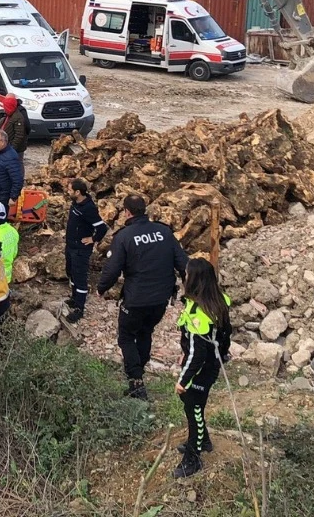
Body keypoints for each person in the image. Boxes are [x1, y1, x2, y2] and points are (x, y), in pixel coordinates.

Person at [96, 195, 188, 400]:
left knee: (127, 336)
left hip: (136, 299)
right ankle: (140, 369)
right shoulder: (164, 231)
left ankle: (136, 381)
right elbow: (184, 264)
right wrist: (191, 293)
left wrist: (101, 289)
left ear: (127, 212)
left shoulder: (124, 236)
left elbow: (112, 269)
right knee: (146, 332)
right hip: (161, 299)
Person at [174, 258, 232, 479]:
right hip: (212, 364)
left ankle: (193, 458)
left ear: (195, 279)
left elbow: (197, 355)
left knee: (193, 408)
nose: (184, 278)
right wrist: (222, 354)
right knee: (193, 404)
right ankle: (202, 440)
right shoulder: (218, 300)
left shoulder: (199, 314)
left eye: (187, 275)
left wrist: (183, 380)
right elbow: (226, 333)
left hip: (201, 369)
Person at [63, 179, 109, 324]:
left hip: (80, 249)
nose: (67, 192)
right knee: (71, 273)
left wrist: (93, 239)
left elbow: (102, 227)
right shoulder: (76, 203)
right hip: (70, 246)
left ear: (78, 192)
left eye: (70, 190)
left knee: (80, 278)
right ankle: (74, 297)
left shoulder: (88, 208)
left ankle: (79, 308)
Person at [0, 129, 23, 209]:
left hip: (2, 196)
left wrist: (13, 197)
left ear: (3, 142)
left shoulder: (11, 157)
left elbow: (17, 179)